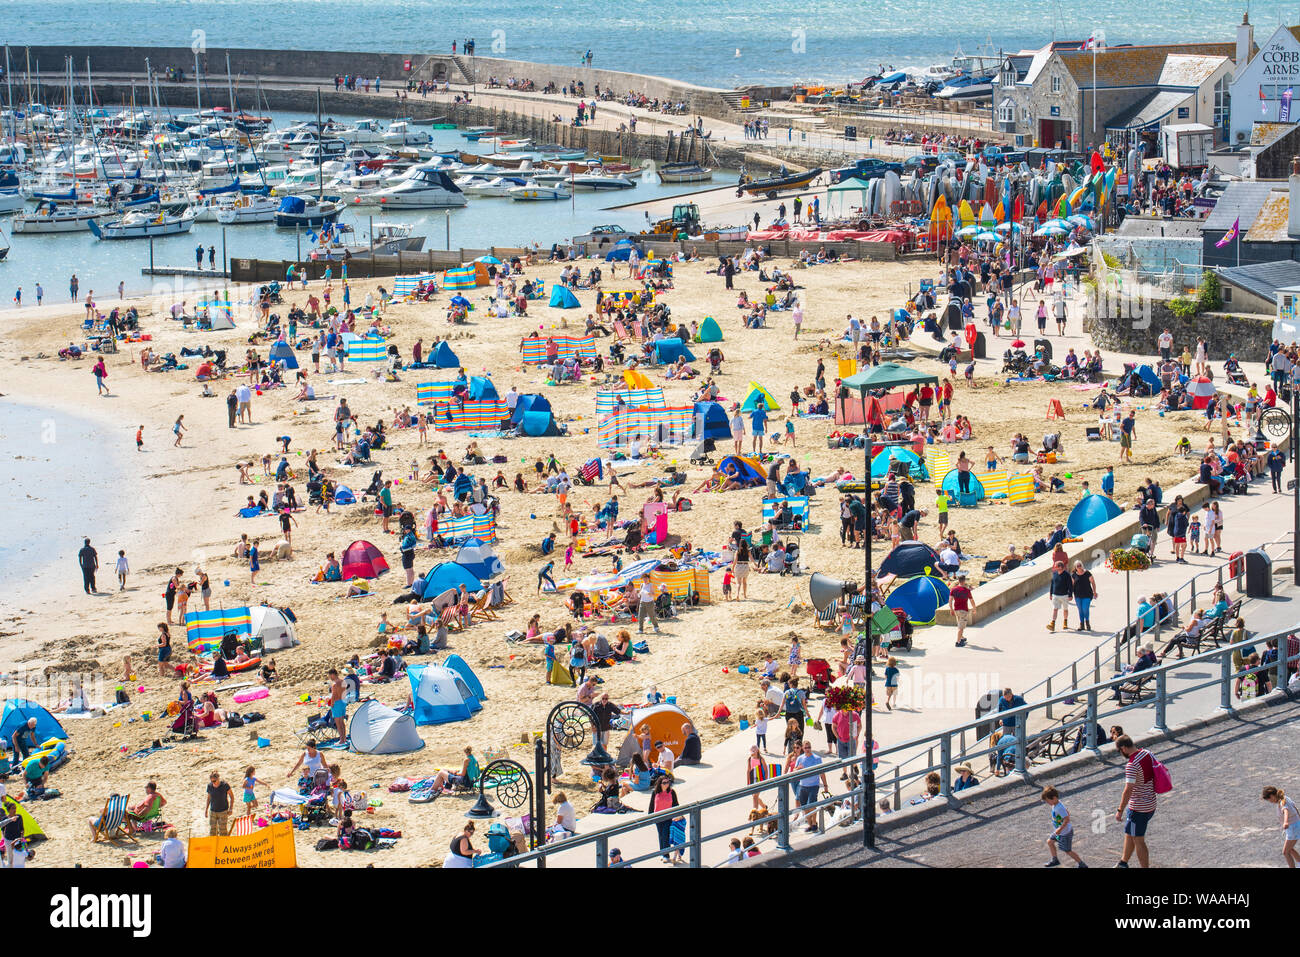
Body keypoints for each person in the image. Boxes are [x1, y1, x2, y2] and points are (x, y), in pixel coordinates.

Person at [1114, 735, 1158, 868]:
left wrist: (1120, 810)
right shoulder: (1147, 753)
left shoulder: (1132, 765)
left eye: (1119, 751)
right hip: (1151, 803)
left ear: (1123, 748)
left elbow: (1128, 790)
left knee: (1138, 840)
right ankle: (1123, 862)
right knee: (1130, 833)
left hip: (1138, 808)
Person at [1042, 785, 1086, 867]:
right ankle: (1055, 860)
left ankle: (1082, 864)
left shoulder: (1059, 808)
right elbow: (1067, 813)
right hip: (1059, 832)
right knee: (1050, 842)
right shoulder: (1055, 805)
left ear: (1054, 798)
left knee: (1068, 851)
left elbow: (1067, 819)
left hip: (1064, 833)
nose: (1047, 803)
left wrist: (1059, 829)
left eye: (1048, 801)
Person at [1260, 785, 1300, 868]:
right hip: (1294, 826)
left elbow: (1286, 811)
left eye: (1269, 799)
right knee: (1290, 849)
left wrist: (1285, 822)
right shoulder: (1285, 797)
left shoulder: (1282, 802)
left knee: (1285, 852)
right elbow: (1295, 808)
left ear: (1271, 796)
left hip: (1292, 827)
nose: (1270, 801)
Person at [793, 739, 828, 832]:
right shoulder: (800, 758)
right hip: (803, 785)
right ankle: (810, 824)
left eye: (809, 747)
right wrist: (798, 769)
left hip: (814, 785)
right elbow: (794, 770)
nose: (807, 749)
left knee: (811, 805)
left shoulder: (817, 758)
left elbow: (822, 772)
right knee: (804, 807)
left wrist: (825, 785)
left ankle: (814, 822)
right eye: (806, 748)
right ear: (803, 749)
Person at [650, 775, 682, 863]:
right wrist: (649, 817)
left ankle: (666, 855)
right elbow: (651, 806)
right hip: (658, 818)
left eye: (668, 782)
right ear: (660, 784)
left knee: (665, 835)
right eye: (664, 783)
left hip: (668, 818)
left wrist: (678, 815)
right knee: (660, 836)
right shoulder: (655, 792)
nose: (666, 784)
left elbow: (676, 805)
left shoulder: (672, 792)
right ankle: (662, 853)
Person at [949, 570, 975, 646]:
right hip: (963, 610)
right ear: (964, 581)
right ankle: (958, 642)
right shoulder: (967, 590)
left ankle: (962, 637)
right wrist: (974, 608)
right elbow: (971, 600)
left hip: (956, 609)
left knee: (960, 624)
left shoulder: (953, 590)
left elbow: (950, 600)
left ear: (958, 581)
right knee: (961, 627)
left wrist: (951, 609)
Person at [205, 771, 234, 837]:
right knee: (212, 830)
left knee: (223, 831)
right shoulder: (210, 786)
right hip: (213, 811)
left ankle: (223, 845)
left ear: (218, 778)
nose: (213, 783)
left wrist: (231, 808)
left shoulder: (225, 785)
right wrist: (206, 809)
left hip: (223, 811)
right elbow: (209, 798)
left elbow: (232, 797)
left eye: (214, 781)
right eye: (212, 781)